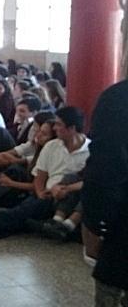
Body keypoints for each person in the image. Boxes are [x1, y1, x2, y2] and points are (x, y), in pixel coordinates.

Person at [0, 107, 89, 241]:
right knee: (29, 210)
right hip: (46, 194)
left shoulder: (90, 151)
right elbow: (40, 177)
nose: (55, 128)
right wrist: (41, 193)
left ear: (72, 128)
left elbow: (88, 182)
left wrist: (64, 190)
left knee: (26, 210)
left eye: (59, 125)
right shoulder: (51, 146)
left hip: (68, 201)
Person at [81, 80, 128, 305]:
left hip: (122, 226)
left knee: (112, 290)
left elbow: (106, 167)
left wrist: (94, 223)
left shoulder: (118, 98)